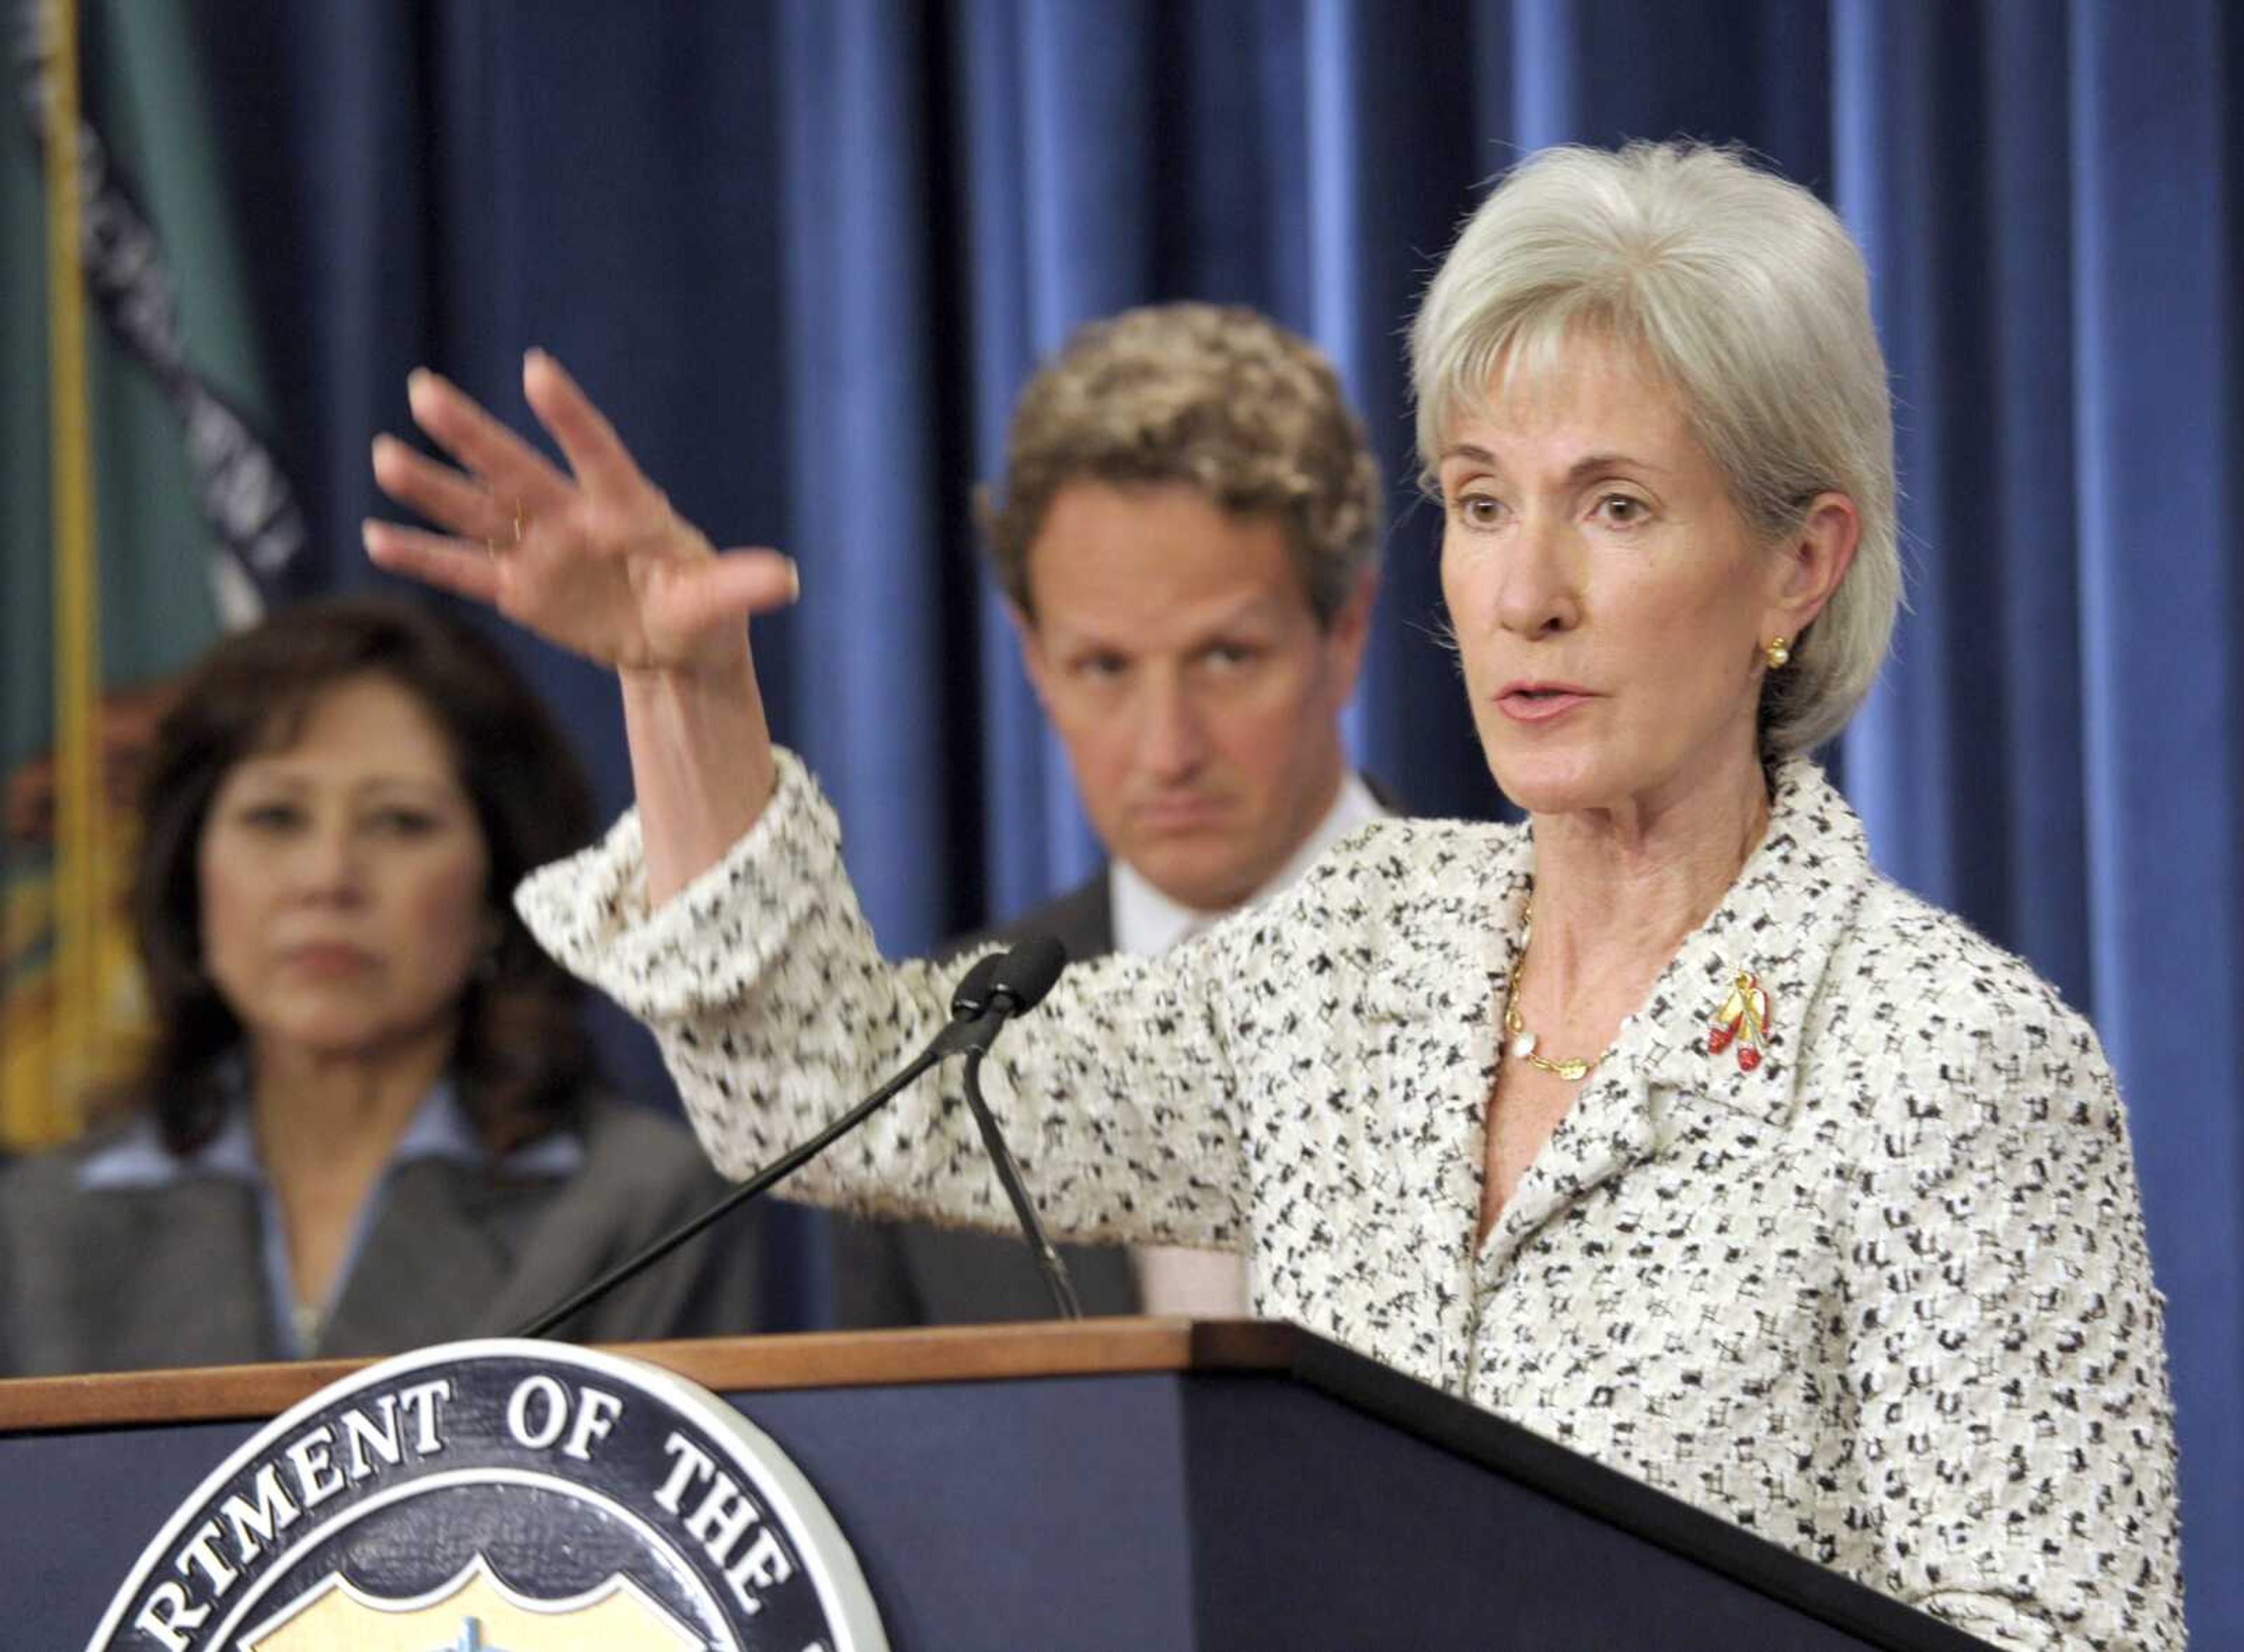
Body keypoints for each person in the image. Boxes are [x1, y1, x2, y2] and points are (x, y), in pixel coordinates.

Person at [364, 141, 2182, 1646]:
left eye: (1616, 506)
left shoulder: (1947, 1059)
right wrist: (688, 693)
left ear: (1801, 559)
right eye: (1481, 503)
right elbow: (849, 1103)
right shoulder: (1349, 962)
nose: (1525, 590)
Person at [0, 597, 764, 1376]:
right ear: (190, 878)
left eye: (399, 823)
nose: (328, 879)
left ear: (502, 891)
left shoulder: (632, 1208)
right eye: (275, 818)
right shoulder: (41, 1226)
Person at [837, 302, 1391, 1327]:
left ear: (1345, 631)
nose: (1167, 748)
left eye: (1226, 658)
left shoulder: (1537, 974)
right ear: (1033, 656)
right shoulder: (939, 1055)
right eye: (1102, 668)